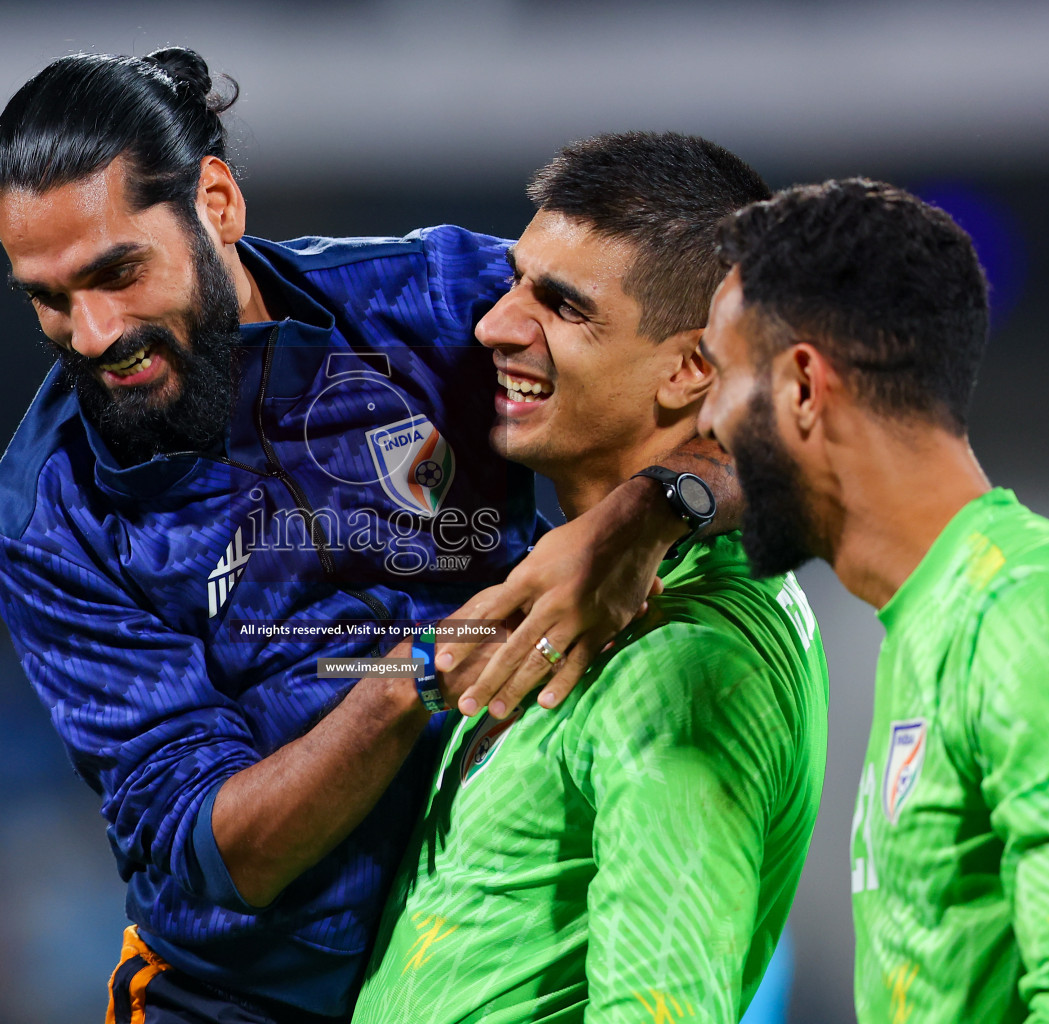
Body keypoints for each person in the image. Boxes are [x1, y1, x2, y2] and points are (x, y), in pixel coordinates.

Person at [0, 50, 735, 1022]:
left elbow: (755, 383)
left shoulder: (438, 302)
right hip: (244, 1001)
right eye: (47, 296)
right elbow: (222, 854)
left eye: (117, 273)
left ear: (216, 203)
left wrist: (649, 511)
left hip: (488, 926)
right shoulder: (46, 520)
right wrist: (421, 670)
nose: (90, 332)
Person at [353, 133, 830, 1024]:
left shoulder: (686, 662)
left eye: (564, 307)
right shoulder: (575, 583)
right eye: (516, 280)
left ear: (694, 367)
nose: (495, 325)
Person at [698, 178, 1049, 1023]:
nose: (708, 422)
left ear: (801, 387)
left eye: (720, 378)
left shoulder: (1031, 612)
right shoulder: (927, 621)